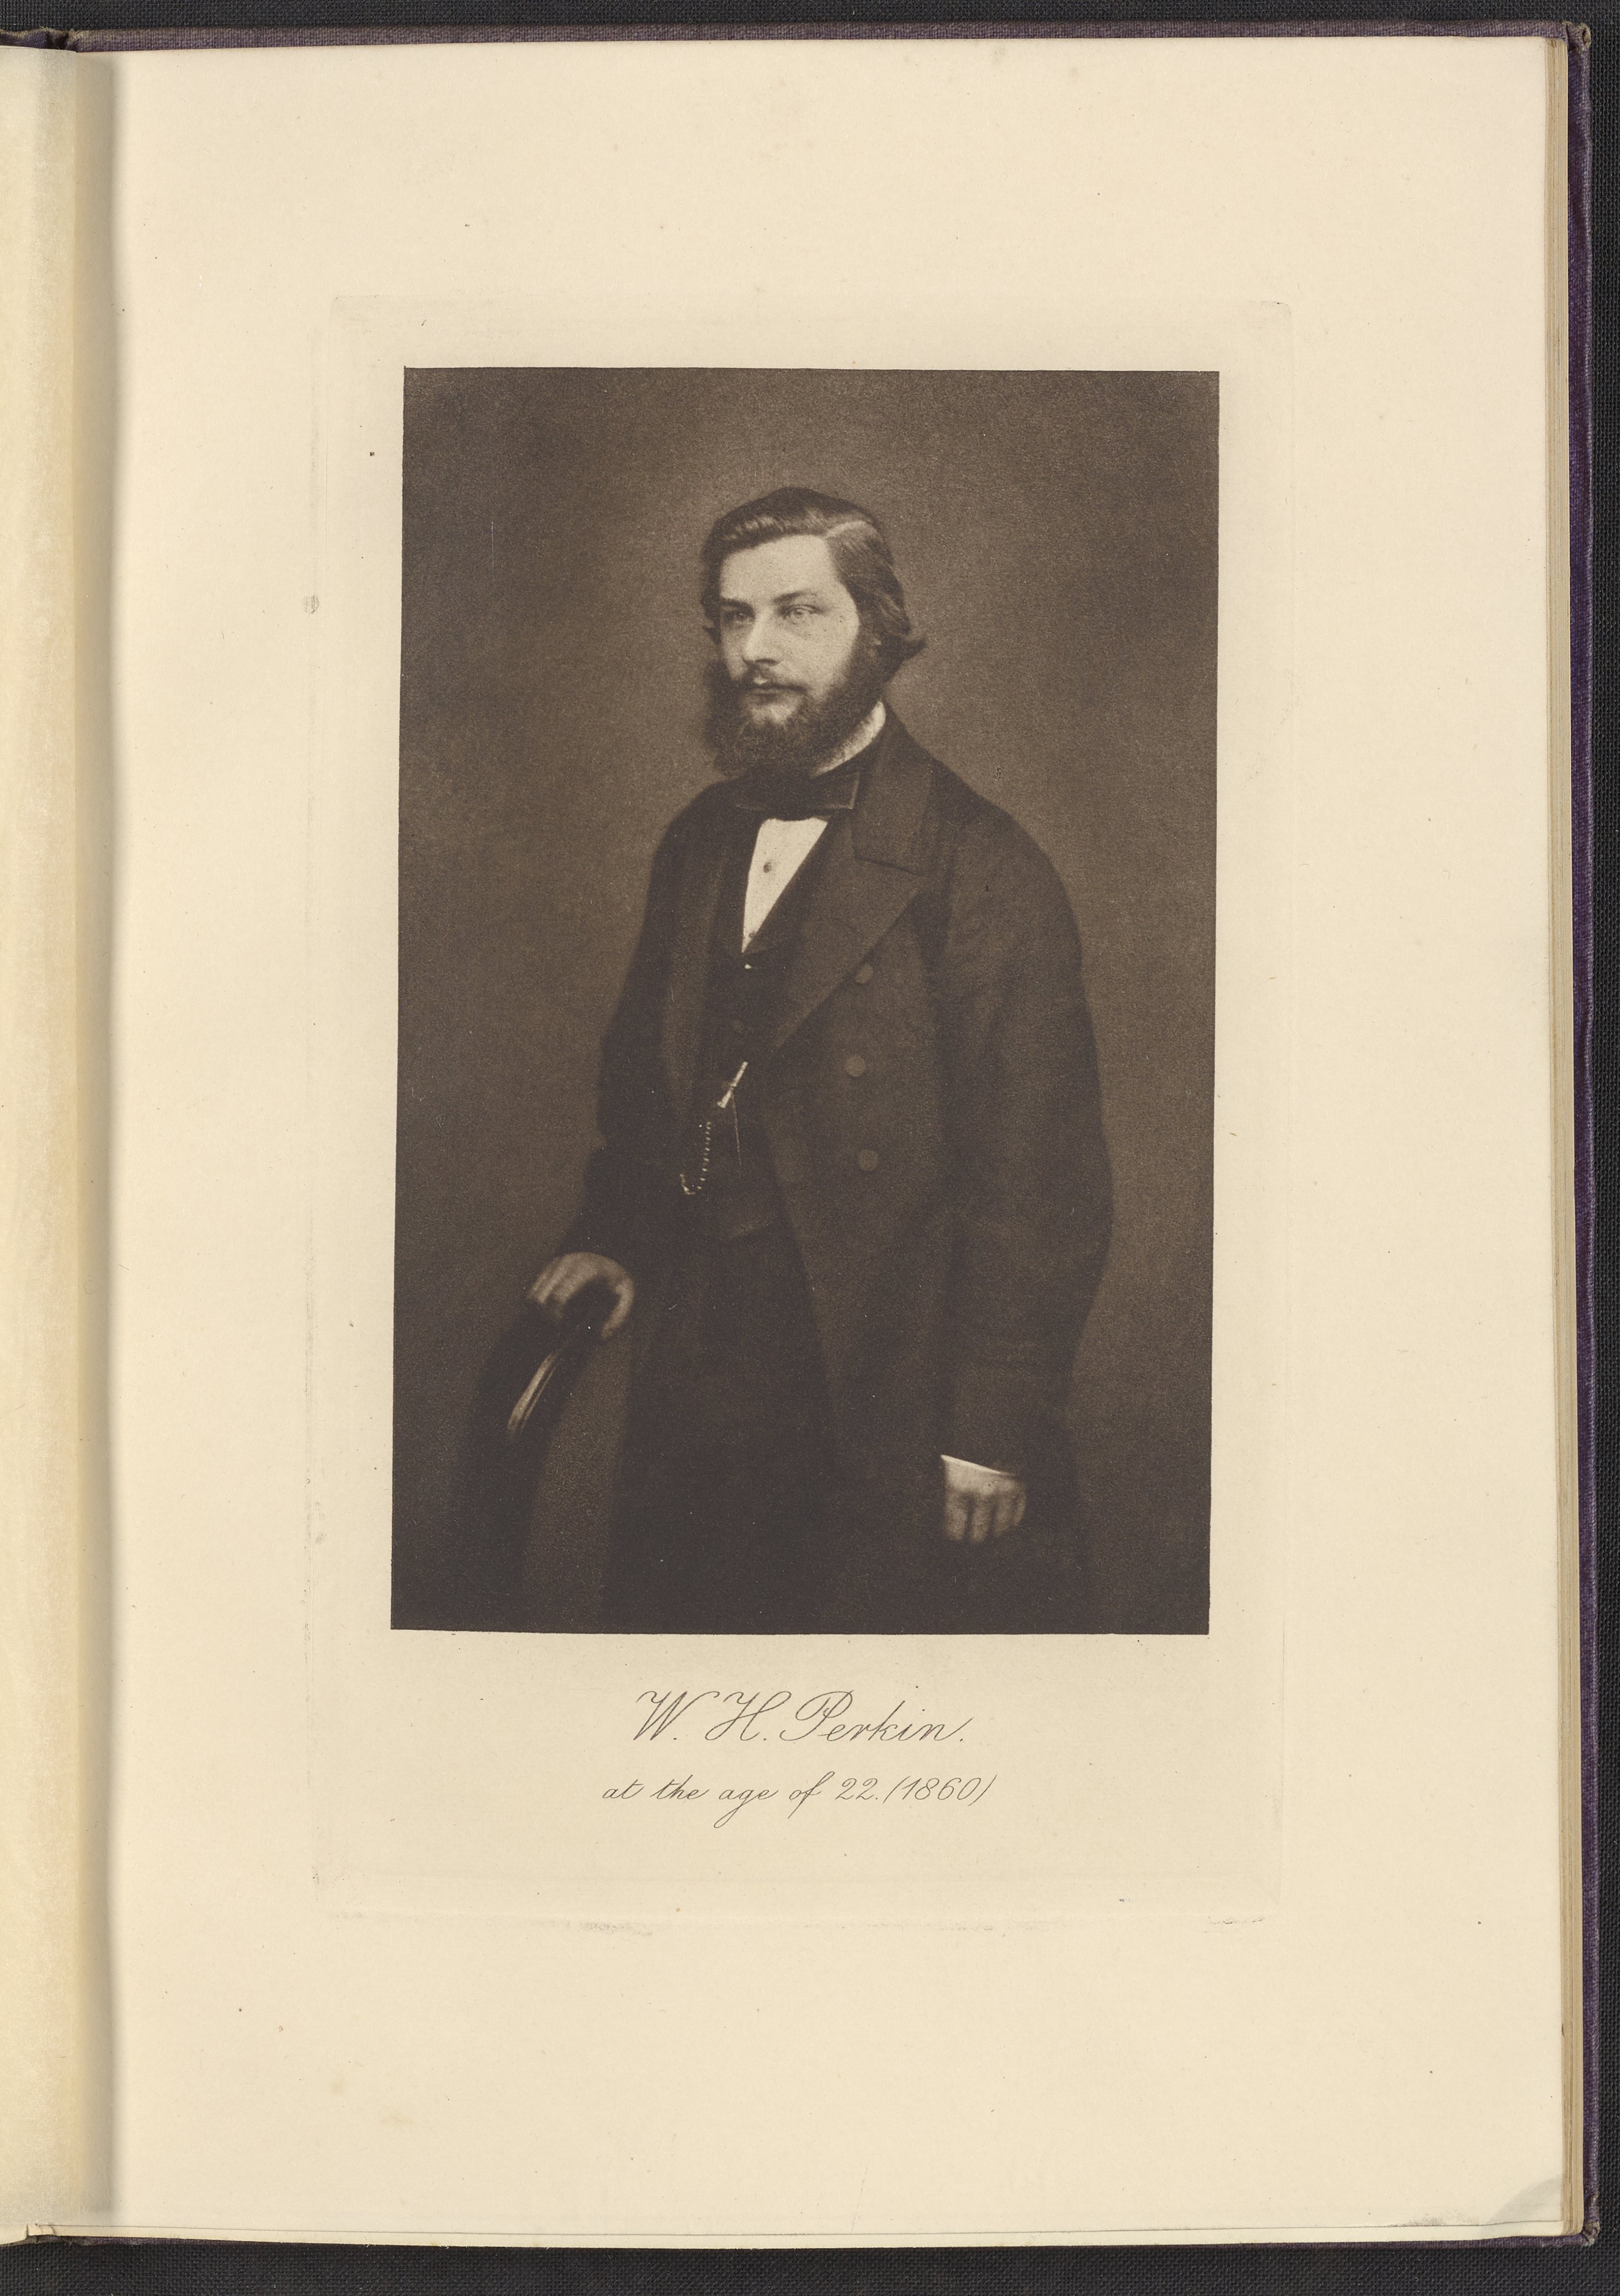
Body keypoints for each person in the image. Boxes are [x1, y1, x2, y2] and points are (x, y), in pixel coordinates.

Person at [529, 487, 1112, 1632]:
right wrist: (615, 1235)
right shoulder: (698, 839)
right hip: (702, 1364)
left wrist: (991, 1428)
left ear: (875, 631)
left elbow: (1040, 1181)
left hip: (884, 1377)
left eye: (797, 612)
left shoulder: (983, 866)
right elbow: (647, 1089)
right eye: (734, 617)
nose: (757, 648)